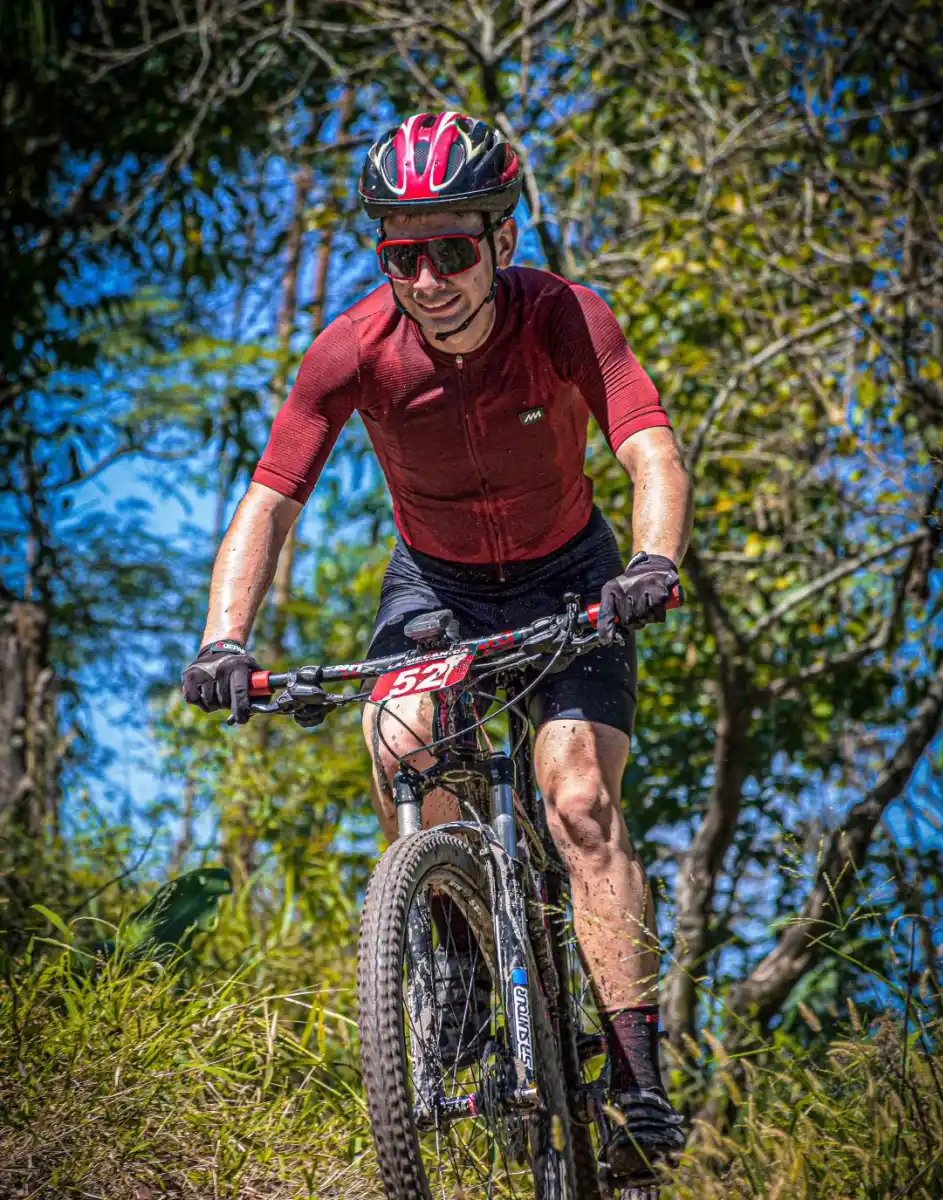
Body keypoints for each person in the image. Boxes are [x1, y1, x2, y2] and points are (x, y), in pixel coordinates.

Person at [183, 111, 691, 1175]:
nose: (429, 278)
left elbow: (647, 444)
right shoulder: (353, 350)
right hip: (440, 588)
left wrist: (651, 564)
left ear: (502, 241)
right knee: (399, 734)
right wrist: (225, 639)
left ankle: (640, 1073)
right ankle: (457, 957)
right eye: (404, 255)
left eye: (452, 250)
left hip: (572, 575)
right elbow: (272, 499)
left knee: (580, 801)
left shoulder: (562, 315)